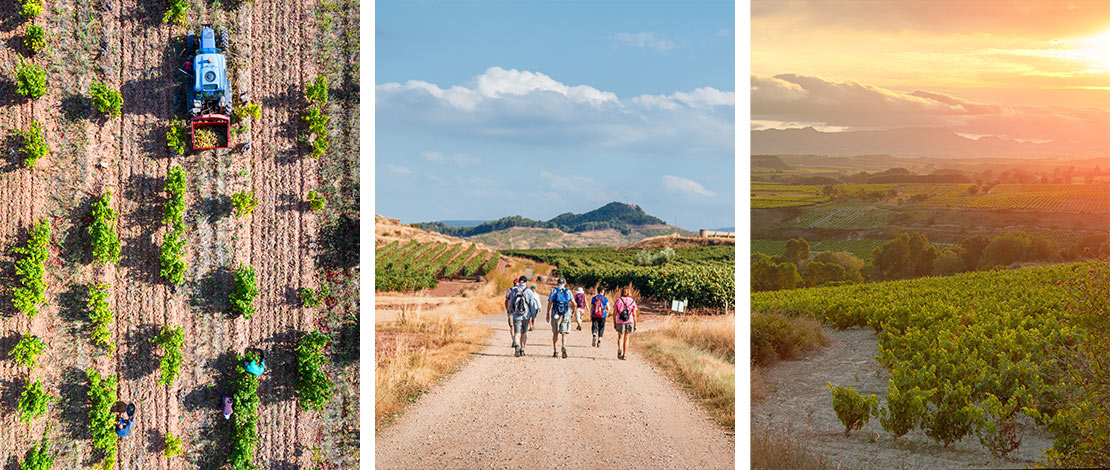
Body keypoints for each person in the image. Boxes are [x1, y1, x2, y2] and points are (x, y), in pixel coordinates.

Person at [508, 276, 539, 357]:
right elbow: (532, 305)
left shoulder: (514, 291)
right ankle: (522, 349)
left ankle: (517, 345)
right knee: (524, 333)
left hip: (516, 316)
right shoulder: (529, 292)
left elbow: (510, 302)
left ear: (519, 282)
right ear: (526, 282)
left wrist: (510, 311)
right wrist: (533, 315)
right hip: (526, 316)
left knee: (517, 333)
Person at [547, 278, 575, 358]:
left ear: (557, 283)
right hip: (566, 314)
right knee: (564, 333)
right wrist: (572, 312)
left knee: (555, 333)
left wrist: (547, 313)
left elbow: (550, 303)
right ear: (565, 283)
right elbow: (574, 304)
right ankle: (563, 346)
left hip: (555, 314)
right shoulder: (568, 292)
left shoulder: (554, 291)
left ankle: (555, 351)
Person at [612, 288, 638, 360]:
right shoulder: (632, 301)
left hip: (620, 321)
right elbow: (634, 314)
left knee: (620, 337)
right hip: (629, 321)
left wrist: (614, 322)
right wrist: (635, 324)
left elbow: (614, 313)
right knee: (626, 338)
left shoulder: (618, 300)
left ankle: (619, 348)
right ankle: (625, 355)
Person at [505, 277, 521, 347]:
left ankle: (514, 340)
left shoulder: (510, 290)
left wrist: (507, 309)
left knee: (512, 327)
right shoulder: (521, 290)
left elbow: (506, 301)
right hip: (519, 311)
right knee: (518, 327)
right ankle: (517, 341)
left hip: (511, 311)